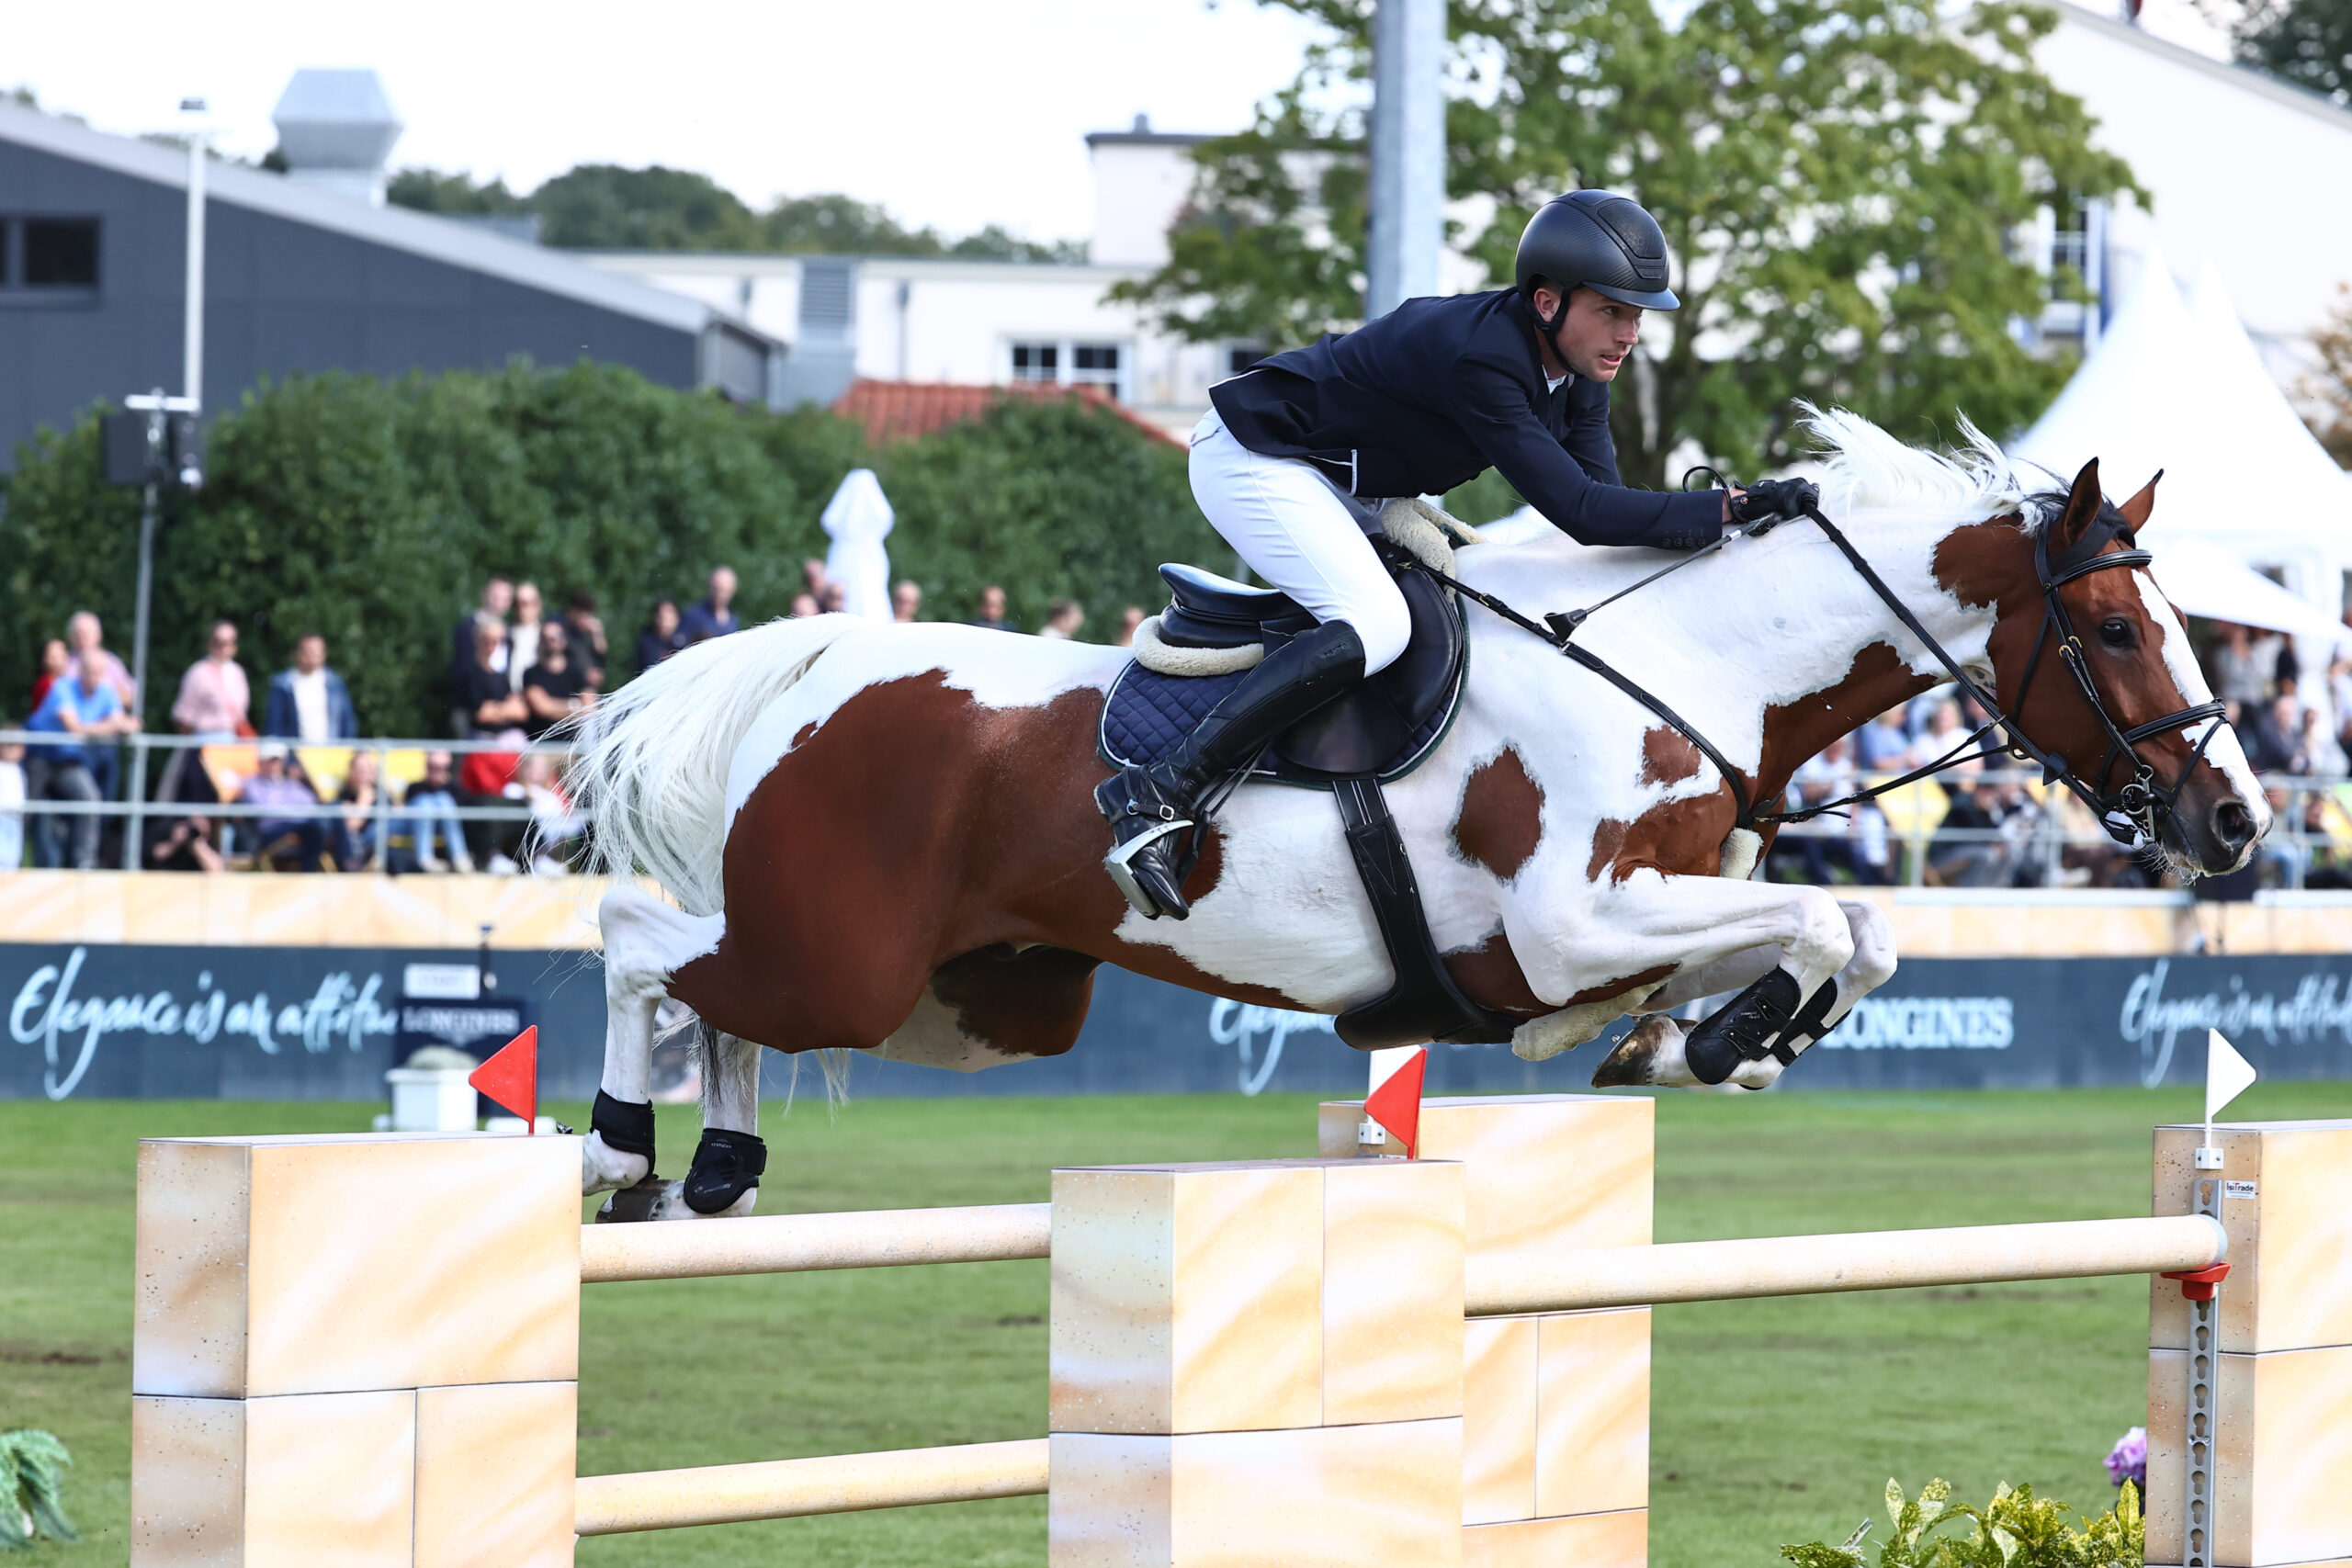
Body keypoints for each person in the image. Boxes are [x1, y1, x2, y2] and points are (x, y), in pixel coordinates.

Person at [1093, 189, 1791, 919]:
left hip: (1345, 482)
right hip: (1257, 458)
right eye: (1612, 311)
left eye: (1638, 315)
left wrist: (1735, 525)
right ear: (1547, 303)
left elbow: (1604, 509)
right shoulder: (1485, 358)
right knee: (1376, 624)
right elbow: (1582, 514)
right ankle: (1160, 788)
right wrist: (1729, 507)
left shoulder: (1581, 373)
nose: (1630, 334)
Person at [26, 652, 135, 868]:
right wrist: (109, 727)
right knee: (25, 810)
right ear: (81, 672)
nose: (95, 677)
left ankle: (83, 862)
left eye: (99, 673)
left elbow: (121, 723)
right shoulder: (62, 687)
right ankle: (11, 862)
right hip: (38, 757)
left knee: (90, 799)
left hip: (67, 760)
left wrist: (94, 728)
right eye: (90, 672)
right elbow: (74, 727)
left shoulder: (106, 691)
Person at [263, 634, 359, 742]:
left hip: (331, 754)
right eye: (308, 652)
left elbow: (347, 722)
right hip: (294, 756)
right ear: (297, 653)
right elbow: (275, 723)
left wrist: (351, 749)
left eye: (316, 652)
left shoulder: (335, 684)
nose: (312, 657)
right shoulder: (283, 684)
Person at [243, 743, 324, 871]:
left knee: (316, 829)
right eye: (270, 761)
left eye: (277, 761)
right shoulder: (252, 784)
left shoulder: (290, 783)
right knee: (312, 830)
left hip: (298, 827)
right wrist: (292, 810)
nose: (275, 765)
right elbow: (260, 809)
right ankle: (308, 873)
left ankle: (308, 872)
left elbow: (310, 802)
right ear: (260, 762)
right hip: (271, 831)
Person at [171, 621, 251, 736]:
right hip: (205, 741)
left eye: (231, 642)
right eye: (220, 642)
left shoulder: (238, 672)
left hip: (234, 741)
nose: (225, 648)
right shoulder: (198, 672)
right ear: (211, 643)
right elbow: (183, 716)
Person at [401, 750, 473, 874]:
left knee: (444, 800)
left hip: (445, 827)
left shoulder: (454, 789)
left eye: (441, 768)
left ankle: (459, 858)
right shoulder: (414, 787)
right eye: (432, 767)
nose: (436, 771)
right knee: (425, 802)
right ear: (426, 766)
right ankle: (425, 858)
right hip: (415, 827)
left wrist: (443, 787)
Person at [455, 620, 528, 737]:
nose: (493, 645)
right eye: (487, 640)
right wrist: (507, 709)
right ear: (477, 641)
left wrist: (495, 709)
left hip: (506, 739)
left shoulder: (501, 675)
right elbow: (481, 715)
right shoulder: (469, 673)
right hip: (480, 740)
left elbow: (521, 712)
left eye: (499, 641)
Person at [521, 621, 594, 738]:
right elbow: (542, 708)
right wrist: (574, 706)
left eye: (556, 637)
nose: (551, 642)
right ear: (540, 642)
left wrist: (557, 708)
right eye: (546, 638)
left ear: (563, 640)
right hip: (542, 742)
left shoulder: (577, 672)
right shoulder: (531, 674)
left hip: (574, 741)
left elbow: (591, 708)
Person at [63, 611, 137, 711]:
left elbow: (129, 698)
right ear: (70, 636)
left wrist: (102, 691)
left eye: (86, 633)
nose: (82, 637)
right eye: (77, 633)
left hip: (105, 721)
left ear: (98, 635)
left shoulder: (112, 663)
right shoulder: (63, 662)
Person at [329, 750, 387, 872]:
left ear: (373, 773)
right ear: (351, 772)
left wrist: (363, 800)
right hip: (353, 847)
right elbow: (349, 825)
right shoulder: (345, 793)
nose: (362, 774)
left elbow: (353, 824)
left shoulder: (380, 794)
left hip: (374, 844)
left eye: (366, 770)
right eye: (358, 770)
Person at [561, 590, 609, 688]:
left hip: (588, 687)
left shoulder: (588, 632)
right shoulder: (561, 631)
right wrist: (584, 674)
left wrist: (598, 635)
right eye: (581, 613)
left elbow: (602, 655)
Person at [506, 582, 548, 692]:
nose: (521, 609)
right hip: (512, 697)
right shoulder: (506, 633)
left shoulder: (549, 635)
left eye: (525, 603)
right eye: (517, 604)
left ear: (537, 605)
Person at [680, 567, 741, 643]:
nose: (719, 594)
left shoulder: (734, 620)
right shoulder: (693, 615)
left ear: (733, 591)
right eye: (715, 588)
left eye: (723, 590)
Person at [636, 600, 684, 671]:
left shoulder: (684, 639)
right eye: (663, 617)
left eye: (670, 618)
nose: (666, 622)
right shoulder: (647, 642)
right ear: (656, 619)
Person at [0, 738, 24, 870]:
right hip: (2, 815)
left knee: (14, 856)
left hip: (15, 816)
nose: (11, 752)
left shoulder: (19, 769)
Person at [28, 638, 68, 714]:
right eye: (53, 657)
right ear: (45, 659)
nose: (57, 661)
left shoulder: (67, 681)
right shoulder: (44, 684)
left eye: (62, 656)